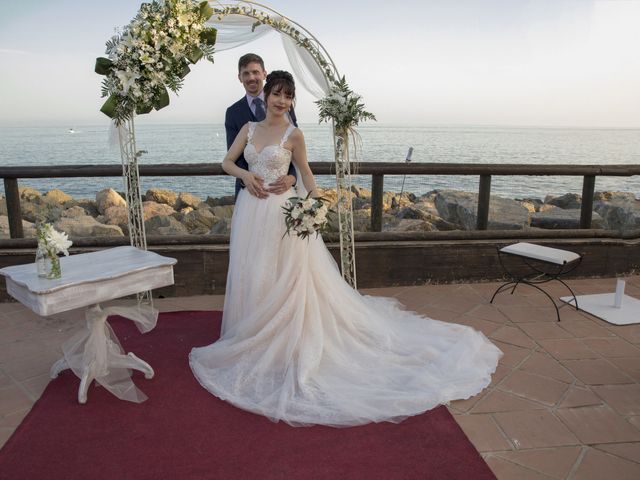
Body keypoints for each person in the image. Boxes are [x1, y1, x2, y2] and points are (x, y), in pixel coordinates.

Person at [190, 71, 502, 427]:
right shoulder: (248, 129)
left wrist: (313, 205)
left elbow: (305, 173)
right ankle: (253, 335)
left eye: (288, 96)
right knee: (255, 271)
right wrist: (245, 176)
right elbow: (227, 162)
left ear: (292, 101)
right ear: (266, 96)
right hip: (251, 211)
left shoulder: (294, 134)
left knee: (287, 277)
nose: (281, 101)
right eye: (276, 93)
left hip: (282, 213)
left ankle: (286, 341)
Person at [225, 53, 297, 198]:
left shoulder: (283, 104)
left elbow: (293, 146)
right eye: (246, 73)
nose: (251, 77)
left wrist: (292, 177)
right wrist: (246, 178)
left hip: (281, 190)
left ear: (264, 74)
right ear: (240, 77)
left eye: (255, 72)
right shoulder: (233, 112)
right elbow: (233, 155)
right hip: (249, 191)